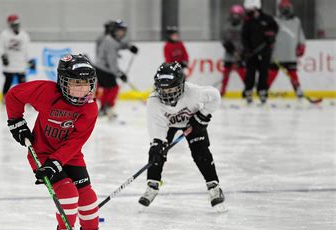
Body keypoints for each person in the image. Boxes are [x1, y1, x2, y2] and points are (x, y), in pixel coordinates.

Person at [5, 54, 119, 230]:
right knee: (67, 192)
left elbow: (76, 142)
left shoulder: (90, 108)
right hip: (41, 153)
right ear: (62, 82)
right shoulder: (46, 92)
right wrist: (16, 122)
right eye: (75, 84)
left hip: (70, 154)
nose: (81, 90)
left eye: (86, 85)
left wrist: (56, 162)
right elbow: (14, 95)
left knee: (88, 197)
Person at [138, 62, 225, 212]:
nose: (167, 94)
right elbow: (157, 127)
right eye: (163, 90)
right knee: (156, 153)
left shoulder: (194, 92)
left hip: (193, 122)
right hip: (169, 125)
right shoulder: (153, 102)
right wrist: (157, 144)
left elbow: (215, 96)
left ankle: (214, 186)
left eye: (171, 89)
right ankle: (152, 185)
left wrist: (202, 117)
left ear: (181, 85)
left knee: (201, 152)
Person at [95, 19, 137, 118]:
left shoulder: (111, 39)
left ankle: (104, 109)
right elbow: (111, 61)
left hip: (101, 68)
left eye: (123, 31)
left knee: (107, 88)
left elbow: (119, 44)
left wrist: (129, 47)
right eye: (119, 30)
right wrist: (119, 73)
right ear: (114, 30)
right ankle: (107, 107)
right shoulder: (110, 42)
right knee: (114, 88)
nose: (121, 33)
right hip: (104, 69)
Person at [267, 0, 306, 100]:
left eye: (287, 8)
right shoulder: (274, 20)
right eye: (283, 8)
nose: (285, 10)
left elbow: (300, 35)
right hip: (277, 54)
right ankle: (264, 91)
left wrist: (302, 45)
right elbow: (269, 34)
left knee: (293, 73)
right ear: (280, 9)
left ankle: (298, 90)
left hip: (290, 54)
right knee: (272, 74)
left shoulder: (296, 21)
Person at [241, 0, 278, 105]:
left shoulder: (267, 19)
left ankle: (262, 92)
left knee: (264, 72)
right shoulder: (248, 22)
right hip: (252, 53)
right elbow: (244, 37)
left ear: (256, 8)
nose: (248, 12)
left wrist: (271, 37)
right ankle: (248, 91)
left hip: (265, 51)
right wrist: (247, 50)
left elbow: (275, 29)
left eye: (250, 10)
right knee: (250, 73)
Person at [0, 14, 35, 103]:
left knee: (23, 84)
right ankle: (4, 97)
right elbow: (0, 47)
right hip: (9, 64)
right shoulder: (4, 35)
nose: (15, 26)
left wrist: (30, 60)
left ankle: (25, 98)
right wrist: (3, 56)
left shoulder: (24, 35)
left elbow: (27, 49)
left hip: (20, 64)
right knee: (8, 81)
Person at [219, 5, 246, 96]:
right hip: (229, 55)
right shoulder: (227, 26)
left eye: (237, 15)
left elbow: (247, 40)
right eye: (234, 15)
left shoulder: (244, 26)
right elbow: (224, 41)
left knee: (243, 74)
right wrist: (232, 51)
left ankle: (247, 90)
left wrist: (242, 53)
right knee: (226, 74)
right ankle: (222, 91)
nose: (235, 17)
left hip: (241, 55)